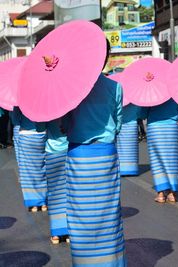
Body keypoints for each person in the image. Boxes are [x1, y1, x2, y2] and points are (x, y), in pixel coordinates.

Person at [62, 40, 126, 266]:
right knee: (108, 214)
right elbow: (118, 124)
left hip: (79, 155)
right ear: (105, 57)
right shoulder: (114, 87)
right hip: (105, 155)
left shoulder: (70, 88)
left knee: (81, 215)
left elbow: (64, 124)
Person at [140, 99, 178, 203]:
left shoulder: (151, 93)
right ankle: (172, 193)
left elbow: (142, 114)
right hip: (171, 128)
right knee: (172, 160)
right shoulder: (174, 92)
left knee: (156, 160)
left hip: (155, 128)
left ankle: (161, 194)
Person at [14, 107, 47, 212]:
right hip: (42, 134)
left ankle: (33, 203)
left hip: (26, 134)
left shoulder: (19, 97)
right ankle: (44, 202)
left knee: (28, 172)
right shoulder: (44, 94)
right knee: (42, 168)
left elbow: (15, 119)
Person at [45, 119, 69, 244]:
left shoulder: (47, 109)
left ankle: (56, 233)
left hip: (52, 152)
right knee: (69, 191)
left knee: (54, 192)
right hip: (69, 150)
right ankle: (69, 230)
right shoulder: (71, 107)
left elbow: (39, 128)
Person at [117, 104, 142, 176]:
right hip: (132, 125)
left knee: (122, 148)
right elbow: (139, 113)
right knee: (132, 148)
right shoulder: (135, 101)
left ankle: (122, 168)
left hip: (122, 125)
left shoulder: (121, 102)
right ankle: (132, 169)